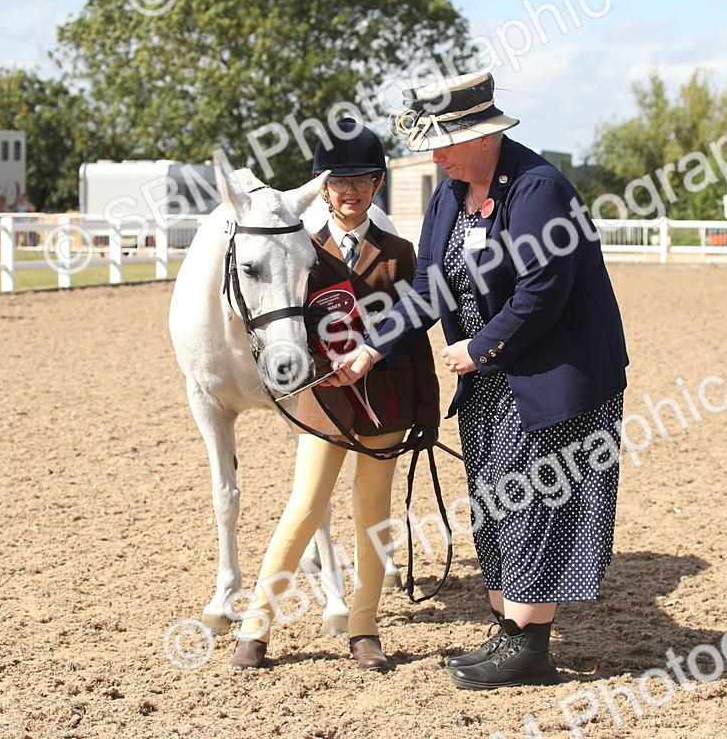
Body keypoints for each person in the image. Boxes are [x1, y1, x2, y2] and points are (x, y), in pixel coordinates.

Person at [328, 73, 629, 689]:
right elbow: (427, 290)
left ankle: (529, 648)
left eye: (442, 143)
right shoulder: (450, 192)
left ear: (483, 137)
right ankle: (508, 634)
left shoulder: (538, 188)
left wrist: (482, 346)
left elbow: (543, 291)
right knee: (497, 504)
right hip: (494, 377)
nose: (433, 155)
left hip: (554, 376)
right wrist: (370, 351)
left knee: (537, 503)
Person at [230, 118, 441, 671]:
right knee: (304, 508)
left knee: (374, 513)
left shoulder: (398, 252)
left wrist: (425, 413)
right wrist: (324, 367)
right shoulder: (302, 250)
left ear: (378, 185)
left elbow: (413, 333)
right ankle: (256, 624)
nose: (350, 193)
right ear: (322, 189)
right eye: (339, 183)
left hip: (386, 402)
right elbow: (286, 325)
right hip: (325, 401)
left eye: (362, 181)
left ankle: (364, 627)